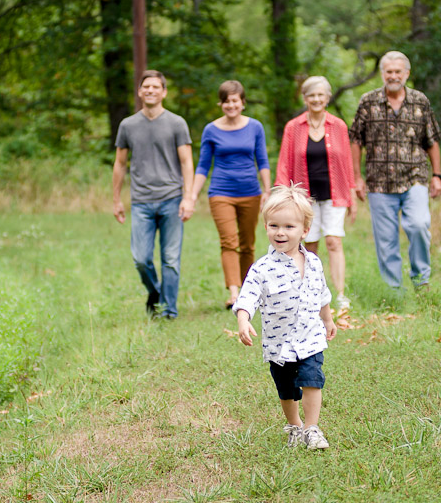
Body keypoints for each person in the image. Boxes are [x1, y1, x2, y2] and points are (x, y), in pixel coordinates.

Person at [234, 184, 338, 449]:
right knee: (287, 390)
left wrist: (327, 320)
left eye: (289, 227)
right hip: (278, 344)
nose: (280, 233)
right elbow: (247, 296)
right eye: (273, 226)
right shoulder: (262, 268)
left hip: (310, 337)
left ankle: (312, 428)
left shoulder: (313, 262)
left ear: (304, 230)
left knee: (313, 379)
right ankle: (295, 426)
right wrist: (243, 319)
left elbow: (321, 294)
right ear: (266, 226)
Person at [350, 50, 441, 290]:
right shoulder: (368, 101)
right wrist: (357, 178)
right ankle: (394, 290)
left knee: (419, 224)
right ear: (382, 74)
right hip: (378, 182)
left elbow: (431, 140)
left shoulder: (420, 101)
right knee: (386, 240)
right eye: (388, 72)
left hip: (415, 178)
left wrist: (437, 175)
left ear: (406, 73)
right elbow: (356, 140)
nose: (393, 76)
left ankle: (421, 280)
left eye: (397, 72)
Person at [112, 70, 195, 319]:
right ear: (139, 91)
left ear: (164, 92)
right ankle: (155, 292)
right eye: (146, 86)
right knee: (140, 258)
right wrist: (116, 199)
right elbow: (119, 164)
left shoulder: (176, 123)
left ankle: (168, 310)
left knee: (170, 259)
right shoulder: (128, 125)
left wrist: (188, 197)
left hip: (171, 199)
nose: (150, 90)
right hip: (140, 202)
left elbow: (186, 162)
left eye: (155, 87)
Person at [276, 76, 357, 311]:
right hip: (304, 197)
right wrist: (282, 194)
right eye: (311, 95)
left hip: (335, 192)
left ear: (328, 98)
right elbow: (284, 162)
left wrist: (351, 194)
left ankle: (340, 294)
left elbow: (347, 163)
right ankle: (311, 292)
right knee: (309, 246)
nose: (316, 99)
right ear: (305, 98)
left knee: (333, 240)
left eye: (321, 95)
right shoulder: (293, 127)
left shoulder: (338, 126)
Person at [191, 80, 271, 309]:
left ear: (243, 103)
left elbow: (262, 161)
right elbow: (203, 166)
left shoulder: (255, 127)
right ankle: (234, 293)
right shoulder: (211, 129)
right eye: (226, 101)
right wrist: (192, 195)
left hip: (251, 193)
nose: (231, 105)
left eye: (235, 100)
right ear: (221, 104)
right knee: (229, 242)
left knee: (247, 244)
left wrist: (267, 190)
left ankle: (249, 291)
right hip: (221, 193)